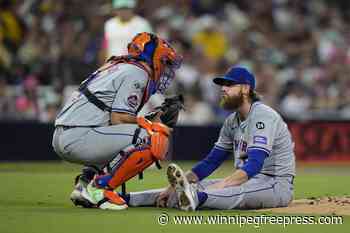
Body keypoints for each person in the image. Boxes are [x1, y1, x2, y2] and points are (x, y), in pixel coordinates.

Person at [122, 66, 295, 211]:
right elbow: (211, 162)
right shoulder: (231, 121)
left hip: (274, 183)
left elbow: (255, 165)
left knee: (234, 193)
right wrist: (173, 187)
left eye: (229, 84)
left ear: (245, 88)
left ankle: (196, 197)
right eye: (222, 85)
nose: (223, 89)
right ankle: (126, 198)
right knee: (182, 191)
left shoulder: (263, 116)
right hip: (245, 180)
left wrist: (222, 185)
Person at [52, 32, 182, 210]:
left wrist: (147, 119)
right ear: (153, 57)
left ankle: (85, 184)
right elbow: (119, 119)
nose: (166, 69)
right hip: (79, 135)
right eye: (165, 62)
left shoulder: (119, 65)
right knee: (153, 138)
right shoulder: (138, 72)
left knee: (138, 134)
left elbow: (112, 120)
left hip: (68, 134)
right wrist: (151, 124)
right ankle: (100, 189)